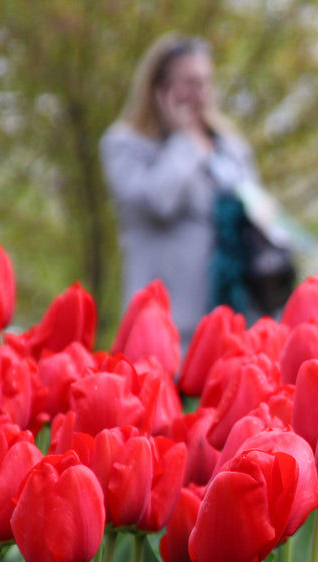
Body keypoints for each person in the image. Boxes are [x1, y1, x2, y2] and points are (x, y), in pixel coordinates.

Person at [100, 34, 257, 343]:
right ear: (159, 89)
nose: (201, 94)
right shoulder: (125, 145)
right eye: (190, 83)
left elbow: (259, 214)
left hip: (234, 314)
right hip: (165, 324)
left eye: (206, 82)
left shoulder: (230, 148)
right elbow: (157, 202)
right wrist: (183, 143)